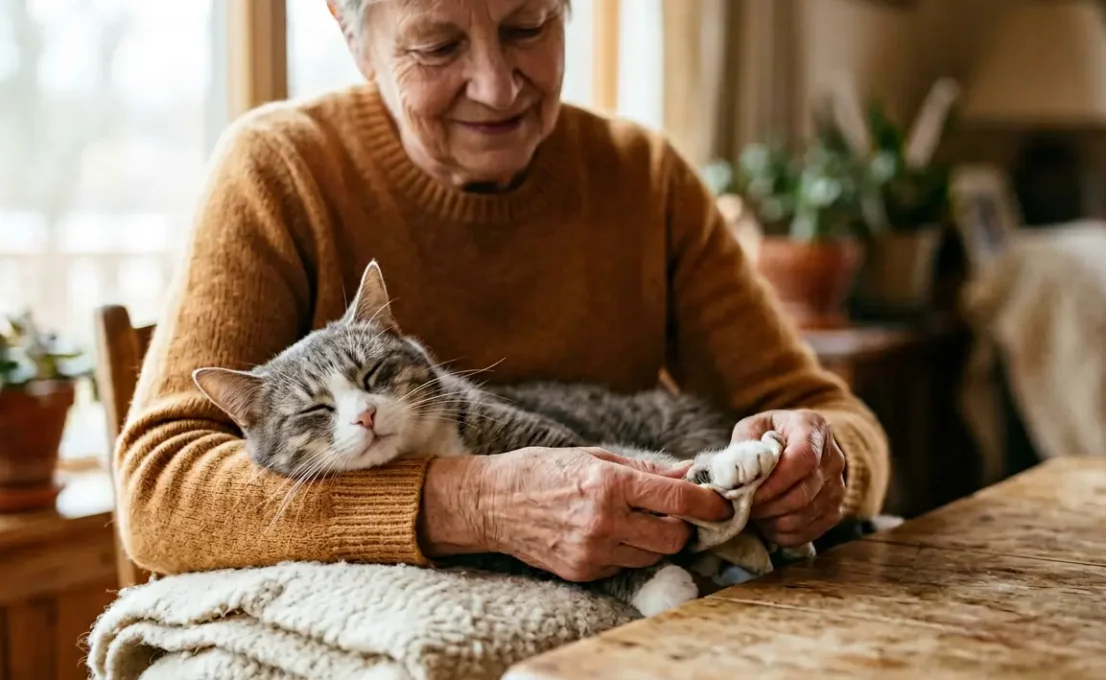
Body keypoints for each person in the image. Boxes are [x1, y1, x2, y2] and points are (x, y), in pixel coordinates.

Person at [116, 0, 889, 583]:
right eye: (437, 45)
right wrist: (473, 503)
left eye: (528, 26)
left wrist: (825, 470)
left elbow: (830, 415)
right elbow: (158, 491)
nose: (494, 86)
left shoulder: (644, 177)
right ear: (355, 39)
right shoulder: (277, 169)